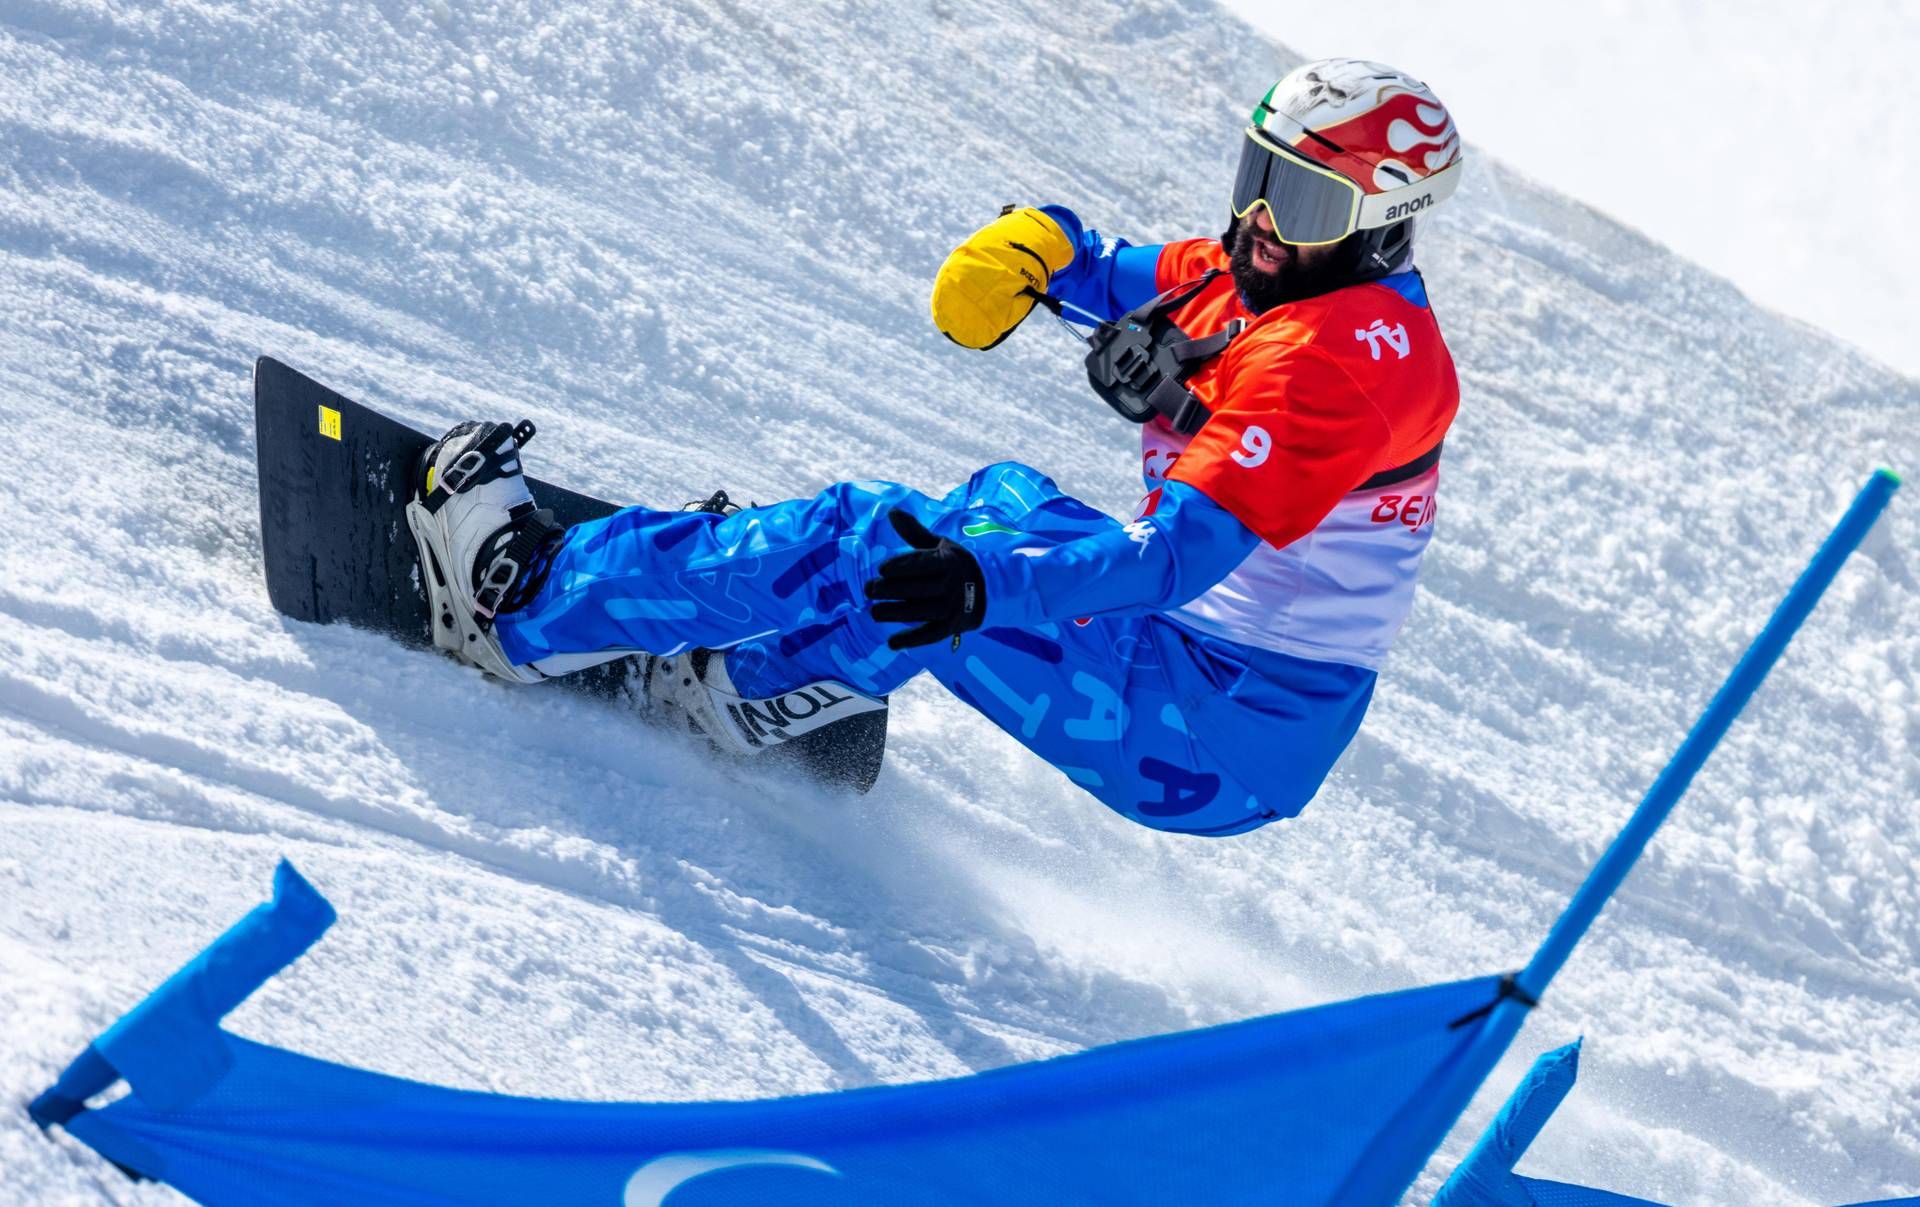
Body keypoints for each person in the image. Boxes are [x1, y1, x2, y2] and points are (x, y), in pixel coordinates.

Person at [404, 58, 1464, 838]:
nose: (1263, 218)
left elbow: (1169, 559)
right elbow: (1107, 271)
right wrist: (1040, 242)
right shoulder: (1286, 276)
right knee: (995, 504)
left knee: (882, 544)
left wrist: (983, 586)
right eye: (1258, 174)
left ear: (1383, 225)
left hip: (1198, 730)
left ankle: (518, 614)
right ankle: (748, 694)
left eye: (1306, 201)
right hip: (1218, 697)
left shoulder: (1334, 359)